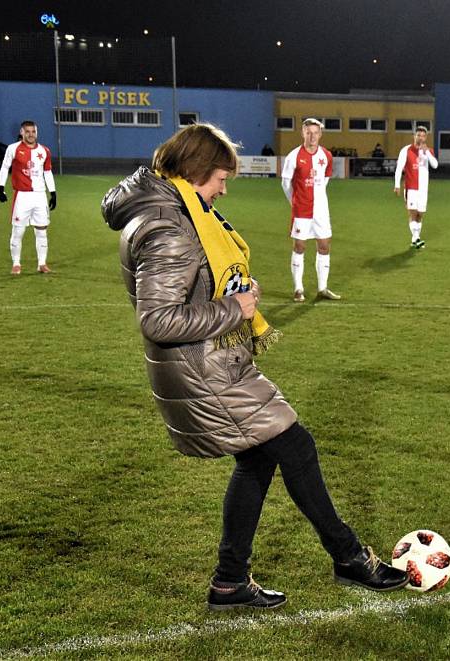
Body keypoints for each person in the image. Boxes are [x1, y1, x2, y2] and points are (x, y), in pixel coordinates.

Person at [101, 123, 409, 611]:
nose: (225, 188)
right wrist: (235, 309)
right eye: (222, 178)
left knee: (260, 457)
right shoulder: (169, 227)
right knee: (295, 445)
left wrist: (234, 298)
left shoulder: (166, 211)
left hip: (213, 361)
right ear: (198, 170)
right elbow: (157, 318)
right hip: (202, 368)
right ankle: (348, 556)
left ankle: (229, 582)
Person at [281, 118, 340, 302]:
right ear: (303, 133)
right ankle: (298, 288)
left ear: (320, 134)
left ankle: (322, 288)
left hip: (321, 209)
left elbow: (326, 177)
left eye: (315, 132)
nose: (312, 136)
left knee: (324, 245)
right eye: (309, 132)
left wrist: (318, 195)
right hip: (302, 210)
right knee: (300, 246)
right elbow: (285, 183)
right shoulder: (294, 156)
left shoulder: (326, 156)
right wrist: (295, 201)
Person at [0, 120, 57, 274]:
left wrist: (53, 192)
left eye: (33, 131)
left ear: (36, 133)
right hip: (22, 196)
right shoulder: (13, 149)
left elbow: (47, 172)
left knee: (42, 230)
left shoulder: (44, 151)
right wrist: (1, 188)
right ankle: (16, 264)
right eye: (28, 131)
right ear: (22, 132)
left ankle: (42, 264)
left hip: (39, 196)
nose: (31, 135)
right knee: (18, 231)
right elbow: (5, 167)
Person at [394, 126, 438, 249]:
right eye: (418, 135)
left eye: (423, 136)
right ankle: (416, 238)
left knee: (420, 214)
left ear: (426, 137)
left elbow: (435, 165)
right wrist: (397, 185)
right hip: (411, 187)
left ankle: (415, 238)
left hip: (423, 189)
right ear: (414, 136)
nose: (420, 137)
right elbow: (399, 168)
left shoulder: (428, 151)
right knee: (412, 213)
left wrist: (427, 152)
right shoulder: (406, 150)